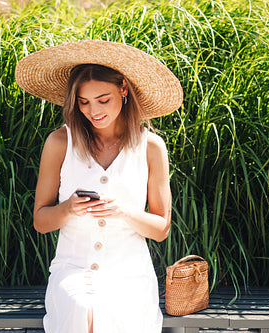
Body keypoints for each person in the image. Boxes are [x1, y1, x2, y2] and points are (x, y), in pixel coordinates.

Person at [15, 40, 183, 333]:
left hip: (129, 274)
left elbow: (161, 229)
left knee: (111, 313)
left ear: (123, 89)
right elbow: (41, 221)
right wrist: (68, 208)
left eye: (103, 100)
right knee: (83, 309)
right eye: (84, 102)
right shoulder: (59, 142)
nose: (94, 111)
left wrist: (123, 212)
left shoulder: (151, 147)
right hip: (74, 270)